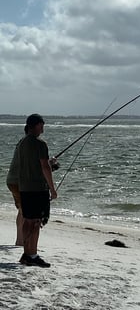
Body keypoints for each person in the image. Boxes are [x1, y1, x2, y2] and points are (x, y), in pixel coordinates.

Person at [17, 114, 57, 268]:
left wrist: (48, 162)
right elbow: (44, 167)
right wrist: (53, 189)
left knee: (28, 220)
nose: (43, 128)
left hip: (24, 187)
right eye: (41, 125)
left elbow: (32, 164)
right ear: (35, 125)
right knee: (36, 222)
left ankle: (27, 254)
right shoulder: (40, 144)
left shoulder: (22, 143)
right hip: (37, 188)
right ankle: (32, 255)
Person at [6, 126, 28, 246]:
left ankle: (20, 239)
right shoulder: (29, 144)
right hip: (19, 182)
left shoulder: (21, 143)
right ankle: (20, 240)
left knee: (22, 210)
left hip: (12, 180)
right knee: (24, 211)